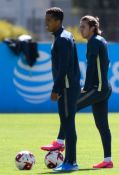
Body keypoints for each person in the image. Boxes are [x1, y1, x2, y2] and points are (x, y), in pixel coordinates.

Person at [43, 7, 81, 171]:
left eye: (49, 20)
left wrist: (56, 88)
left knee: (68, 124)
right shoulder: (63, 37)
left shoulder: (63, 39)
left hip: (66, 88)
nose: (46, 23)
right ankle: (67, 158)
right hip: (67, 87)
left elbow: (64, 66)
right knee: (67, 123)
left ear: (58, 21)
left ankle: (71, 162)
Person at [77, 15, 113, 169]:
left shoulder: (93, 42)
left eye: (83, 26)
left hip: (97, 88)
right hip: (104, 87)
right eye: (80, 26)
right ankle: (108, 160)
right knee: (102, 125)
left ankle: (60, 143)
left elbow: (91, 66)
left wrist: (85, 87)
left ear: (92, 28)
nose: (81, 29)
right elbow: (106, 63)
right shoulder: (101, 40)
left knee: (69, 108)